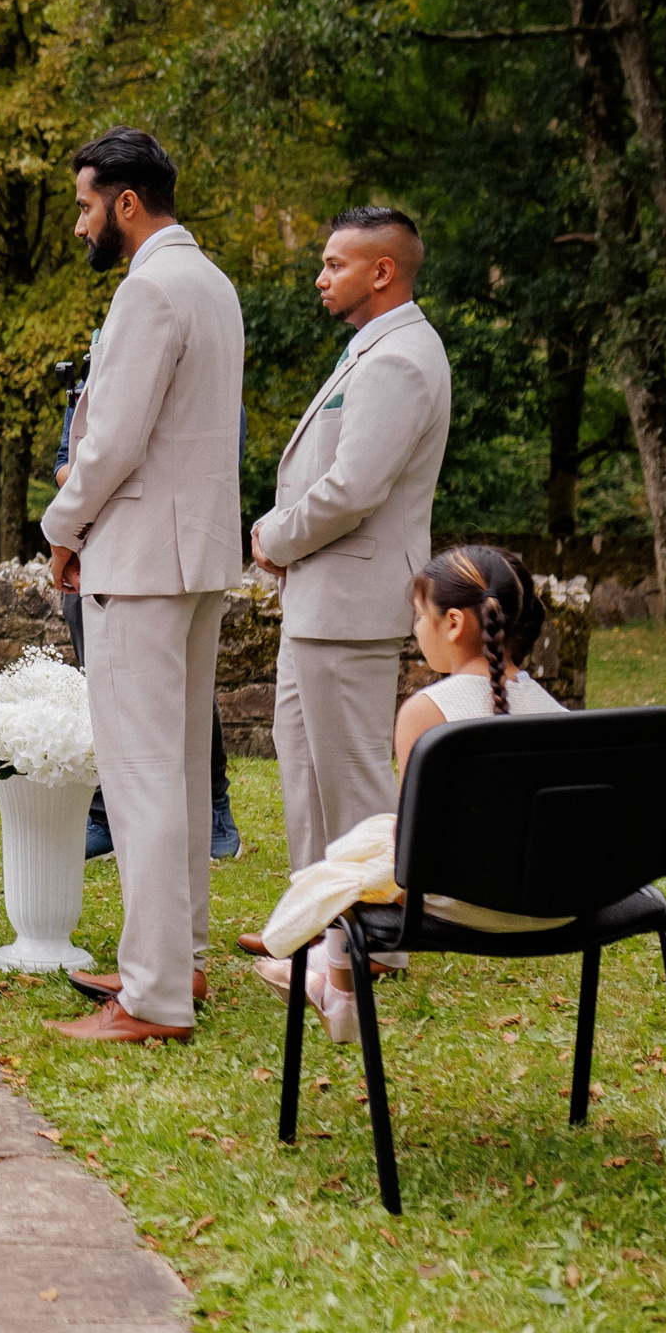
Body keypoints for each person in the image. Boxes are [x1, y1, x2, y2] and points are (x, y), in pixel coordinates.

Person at [40, 127, 244, 1044]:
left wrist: (61, 527)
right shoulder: (212, 282)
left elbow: (111, 442)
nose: (81, 223)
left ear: (126, 203)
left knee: (142, 775)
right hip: (193, 556)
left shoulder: (149, 289)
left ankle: (155, 995)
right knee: (182, 763)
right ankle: (181, 958)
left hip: (141, 562)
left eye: (86, 205)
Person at [242, 205, 450, 977]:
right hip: (322, 601)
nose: (322, 276)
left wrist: (274, 535)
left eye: (335, 264)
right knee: (305, 770)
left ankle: (373, 945)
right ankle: (315, 926)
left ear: (382, 271)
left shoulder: (399, 359)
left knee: (354, 778)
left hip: (351, 601)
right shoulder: (373, 351)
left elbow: (355, 487)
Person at [252, 546, 559, 1040]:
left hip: (467, 906)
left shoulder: (429, 711)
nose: (416, 630)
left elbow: (412, 848)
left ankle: (337, 991)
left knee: (356, 860)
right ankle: (319, 975)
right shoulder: (557, 712)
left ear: (454, 623)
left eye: (420, 616)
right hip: (563, 902)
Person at [53, 380, 242, 865]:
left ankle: (213, 803)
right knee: (106, 691)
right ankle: (104, 813)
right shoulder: (95, 374)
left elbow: (128, 451)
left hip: (155, 550)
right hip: (99, 547)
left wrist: (64, 525)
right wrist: (79, 483)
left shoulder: (190, 372)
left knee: (179, 706)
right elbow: (66, 455)